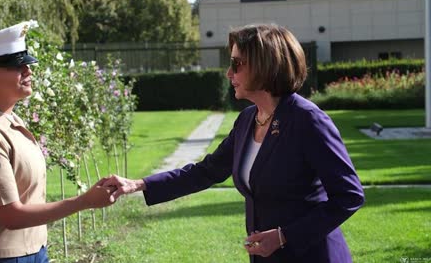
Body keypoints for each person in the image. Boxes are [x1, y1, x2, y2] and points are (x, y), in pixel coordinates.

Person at [101, 24, 365, 262]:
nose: (228, 73)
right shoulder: (248, 119)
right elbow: (207, 171)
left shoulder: (308, 121)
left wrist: (285, 236)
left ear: (265, 65)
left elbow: (349, 195)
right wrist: (137, 184)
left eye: (237, 64)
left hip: (314, 256)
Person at [0, 21, 114, 262]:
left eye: (27, 63)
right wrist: (84, 201)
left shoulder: (9, 119)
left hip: (32, 251)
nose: (28, 71)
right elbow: (12, 216)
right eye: (16, 66)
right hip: (1, 257)